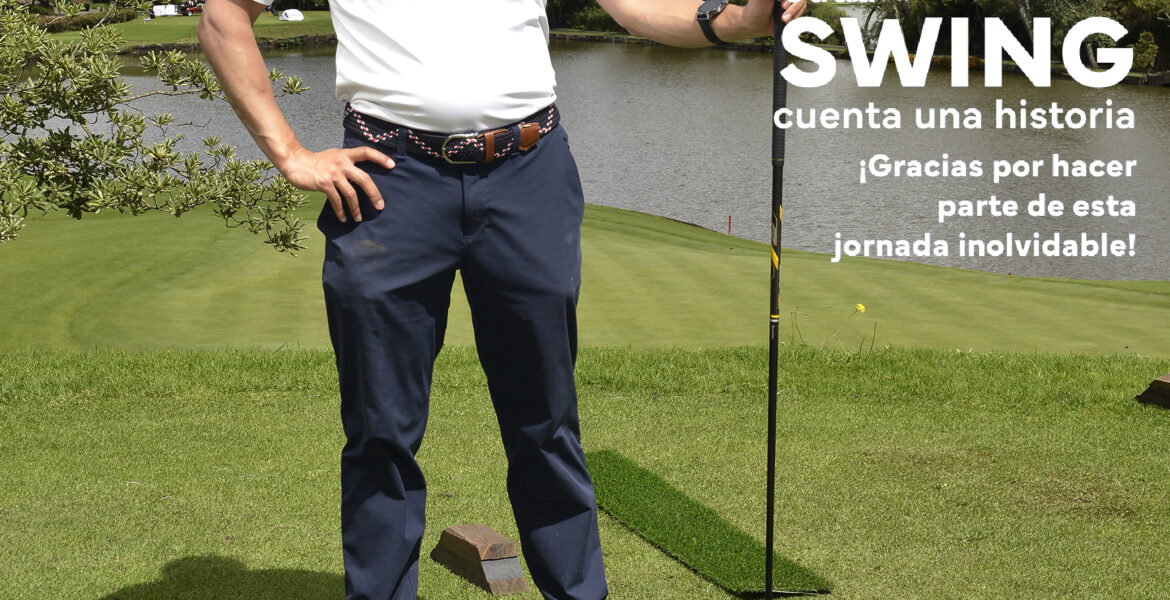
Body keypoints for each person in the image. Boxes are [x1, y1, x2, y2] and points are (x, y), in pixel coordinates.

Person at [198, 0, 807, 598]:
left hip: (529, 172)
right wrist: (291, 155)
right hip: (389, 178)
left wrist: (733, 19)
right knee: (380, 428)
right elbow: (224, 16)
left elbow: (635, 7)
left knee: (546, 418)